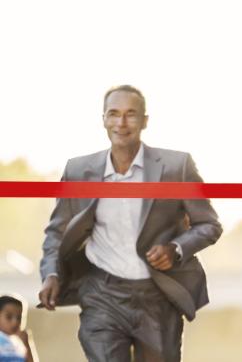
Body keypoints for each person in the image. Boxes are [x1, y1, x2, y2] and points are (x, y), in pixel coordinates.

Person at [38, 85, 222, 362]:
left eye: (130, 115)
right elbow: (58, 231)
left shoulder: (176, 166)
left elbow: (209, 225)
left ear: (145, 121)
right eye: (113, 114)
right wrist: (51, 274)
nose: (121, 123)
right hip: (102, 294)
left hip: (157, 296)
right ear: (103, 119)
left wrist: (175, 248)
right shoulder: (78, 170)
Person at [0, 295, 36, 362]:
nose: (15, 322)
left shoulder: (20, 342)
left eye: (19, 318)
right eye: (9, 317)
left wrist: (27, 344)